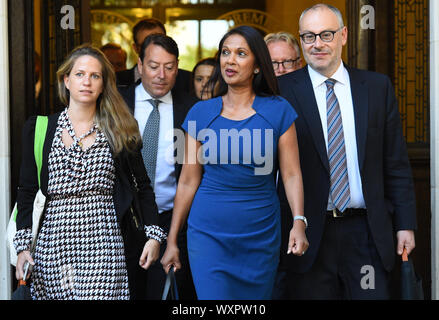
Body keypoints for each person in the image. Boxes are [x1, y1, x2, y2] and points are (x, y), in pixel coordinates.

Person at [277, 4, 417, 299]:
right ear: (301, 41)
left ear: (343, 35)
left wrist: (405, 225)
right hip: (308, 234)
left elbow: (395, 164)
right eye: (309, 36)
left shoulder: (376, 87)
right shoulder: (281, 91)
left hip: (366, 232)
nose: (317, 44)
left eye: (326, 34)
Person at [161, 25, 308, 300]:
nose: (230, 60)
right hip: (208, 233)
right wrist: (171, 240)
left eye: (241, 53)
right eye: (226, 52)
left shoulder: (279, 111)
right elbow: (188, 180)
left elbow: (290, 174)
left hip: (260, 231)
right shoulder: (200, 113)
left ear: (256, 66)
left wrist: (298, 221)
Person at [13, 44, 166, 300]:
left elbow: (142, 186)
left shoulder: (120, 130)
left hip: (103, 244)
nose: (87, 82)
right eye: (80, 74)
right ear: (66, 80)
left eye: (95, 76)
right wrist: (22, 248)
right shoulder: (40, 128)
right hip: (52, 246)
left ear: (104, 84)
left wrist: (154, 235)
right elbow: (27, 192)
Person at [118, 34, 198, 300]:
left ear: (178, 67)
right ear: (139, 65)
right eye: (153, 66)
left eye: (169, 67)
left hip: (170, 222)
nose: (161, 75)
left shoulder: (192, 109)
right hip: (121, 222)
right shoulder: (115, 104)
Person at [116, 18, 192, 95]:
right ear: (135, 48)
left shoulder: (188, 79)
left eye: (160, 42)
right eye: (146, 44)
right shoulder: (117, 80)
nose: (155, 47)